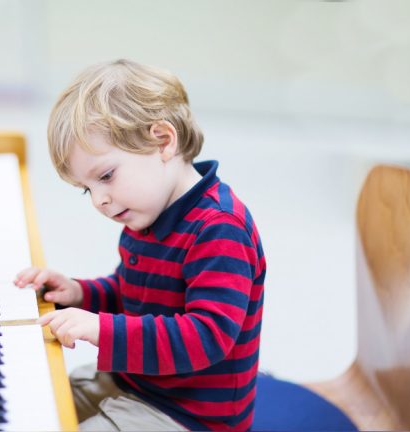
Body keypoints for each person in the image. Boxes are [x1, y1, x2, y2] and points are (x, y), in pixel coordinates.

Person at [15, 59, 266, 431]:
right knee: (35, 408)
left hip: (188, 414)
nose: (99, 200)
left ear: (163, 141)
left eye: (106, 176)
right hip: (136, 383)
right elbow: (132, 292)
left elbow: (206, 337)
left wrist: (102, 329)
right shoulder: (146, 213)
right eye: (88, 188)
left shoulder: (219, 228)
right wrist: (79, 293)